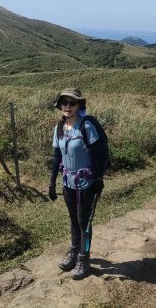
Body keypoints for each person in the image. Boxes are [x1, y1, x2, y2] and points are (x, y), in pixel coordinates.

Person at [48, 88, 104, 280]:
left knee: (84, 222)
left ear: (79, 105)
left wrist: (98, 179)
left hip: (86, 183)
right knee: (73, 219)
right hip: (68, 182)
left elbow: (100, 156)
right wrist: (51, 183)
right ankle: (73, 252)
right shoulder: (59, 128)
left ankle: (84, 259)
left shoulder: (86, 127)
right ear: (60, 105)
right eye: (64, 102)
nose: (68, 106)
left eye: (72, 103)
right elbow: (57, 156)